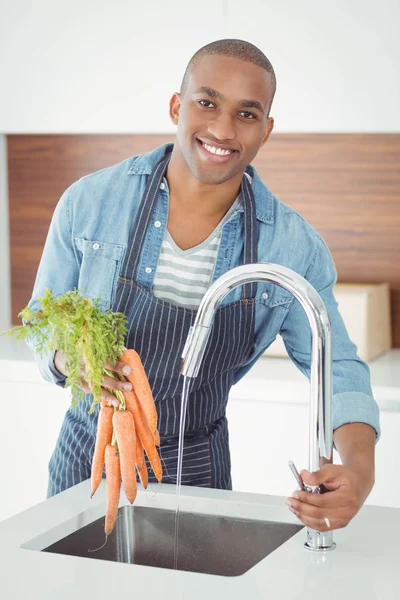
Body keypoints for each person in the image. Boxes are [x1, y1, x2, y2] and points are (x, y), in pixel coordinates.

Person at [27, 39, 380, 533]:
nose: (221, 128)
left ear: (267, 130)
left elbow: (336, 366)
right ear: (177, 105)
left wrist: (360, 470)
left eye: (247, 114)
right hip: (86, 463)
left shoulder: (292, 246)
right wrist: (73, 360)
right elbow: (43, 329)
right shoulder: (90, 203)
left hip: (198, 471)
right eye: (207, 102)